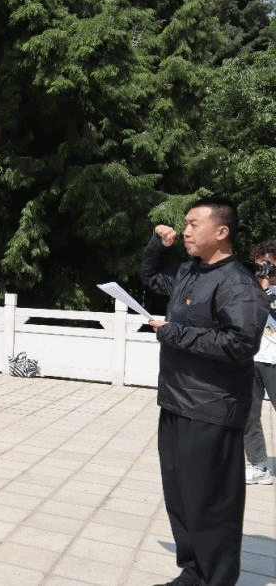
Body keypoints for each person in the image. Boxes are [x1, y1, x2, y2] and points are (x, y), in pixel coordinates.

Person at [142, 196, 268, 586]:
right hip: (176, 401)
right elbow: (151, 278)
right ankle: (194, 572)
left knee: (210, 502)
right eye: (185, 224)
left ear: (222, 231)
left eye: (194, 224)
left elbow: (240, 344)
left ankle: (215, 578)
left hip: (211, 408)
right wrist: (156, 246)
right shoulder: (189, 272)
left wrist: (174, 333)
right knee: (182, 498)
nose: (186, 231)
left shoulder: (238, 283)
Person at [245, 241, 276, 485]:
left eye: (269, 265)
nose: (264, 269)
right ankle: (258, 466)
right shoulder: (251, 290)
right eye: (259, 265)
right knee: (249, 415)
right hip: (252, 360)